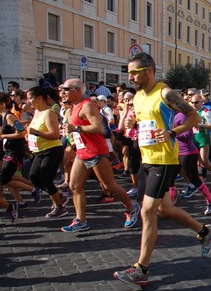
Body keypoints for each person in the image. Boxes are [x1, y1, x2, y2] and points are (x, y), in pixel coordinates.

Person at [112, 53, 211, 285]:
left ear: (148, 70)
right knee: (164, 210)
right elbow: (145, 122)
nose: (130, 77)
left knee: (147, 211)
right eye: (129, 72)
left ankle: (142, 268)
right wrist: (133, 124)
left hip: (165, 160)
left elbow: (193, 116)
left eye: (134, 73)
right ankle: (204, 231)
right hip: (146, 159)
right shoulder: (138, 96)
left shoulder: (165, 93)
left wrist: (172, 133)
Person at [60, 79, 140, 232]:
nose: (62, 92)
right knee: (74, 185)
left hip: (96, 151)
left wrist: (76, 128)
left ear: (77, 90)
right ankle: (81, 220)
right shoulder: (74, 106)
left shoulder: (87, 105)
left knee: (110, 186)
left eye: (66, 89)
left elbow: (98, 128)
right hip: (82, 152)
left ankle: (131, 208)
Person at [26, 87, 69, 218]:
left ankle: (59, 206)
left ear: (39, 98)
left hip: (52, 150)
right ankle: (59, 195)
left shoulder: (49, 113)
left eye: (30, 98)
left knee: (46, 179)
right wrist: (29, 136)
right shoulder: (36, 112)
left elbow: (55, 135)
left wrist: (36, 133)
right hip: (39, 151)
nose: (28, 101)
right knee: (34, 177)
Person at [0, 92, 41, 210]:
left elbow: (21, 132)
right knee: (7, 177)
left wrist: (3, 136)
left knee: (5, 179)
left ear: (2, 104)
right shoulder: (3, 116)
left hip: (15, 150)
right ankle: (32, 189)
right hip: (9, 149)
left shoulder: (9, 116)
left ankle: (33, 189)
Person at [175, 108, 211, 216]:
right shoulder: (168, 116)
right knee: (170, 178)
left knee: (194, 177)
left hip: (187, 152)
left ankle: (210, 200)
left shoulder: (182, 115)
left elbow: (188, 134)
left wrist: (172, 133)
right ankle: (169, 203)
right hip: (175, 152)